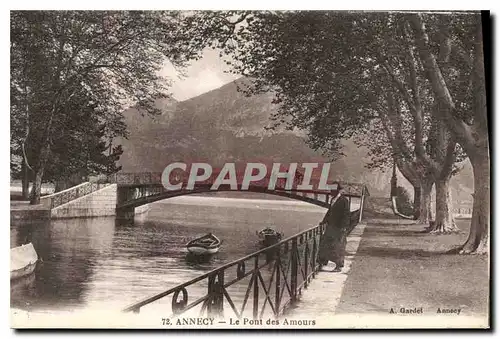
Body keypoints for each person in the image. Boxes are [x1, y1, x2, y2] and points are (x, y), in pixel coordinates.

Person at [318, 184, 350, 272]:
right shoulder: (333, 200)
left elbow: (346, 214)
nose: (331, 192)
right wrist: (323, 221)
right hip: (331, 226)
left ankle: (338, 266)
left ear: (337, 190)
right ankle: (322, 263)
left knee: (338, 246)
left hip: (339, 227)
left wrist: (344, 227)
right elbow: (330, 212)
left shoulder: (344, 200)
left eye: (332, 190)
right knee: (325, 244)